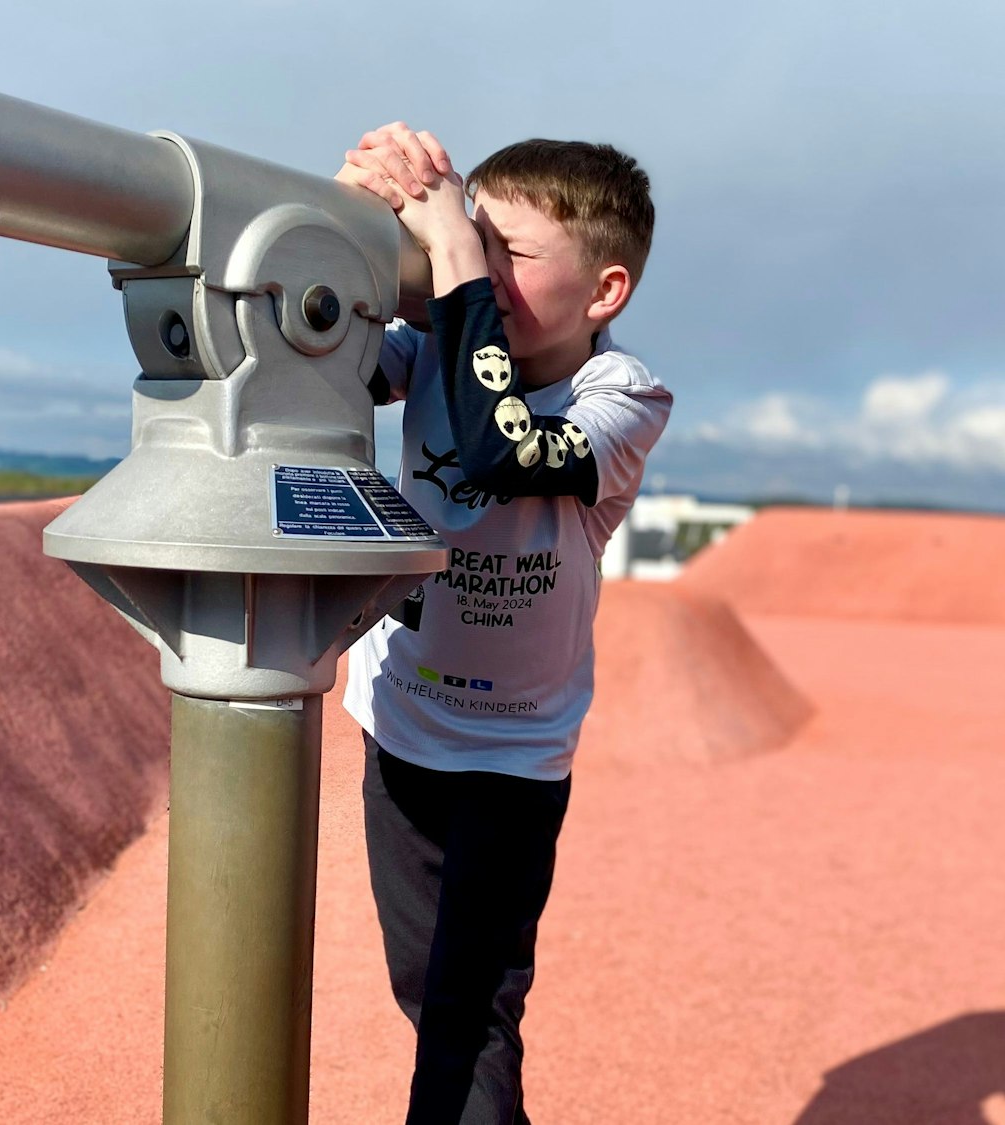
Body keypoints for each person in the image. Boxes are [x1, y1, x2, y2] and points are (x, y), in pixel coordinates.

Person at [335, 124, 671, 1124]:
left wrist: (448, 255)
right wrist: (346, 220)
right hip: (399, 724)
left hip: (514, 756)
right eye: (468, 241)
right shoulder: (434, 344)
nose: (469, 263)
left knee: (470, 1010)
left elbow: (497, 451)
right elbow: (303, 353)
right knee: (425, 998)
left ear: (603, 292)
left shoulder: (623, 400)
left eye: (502, 253)